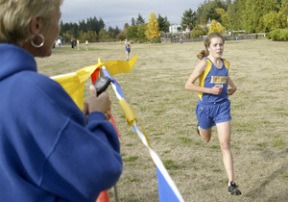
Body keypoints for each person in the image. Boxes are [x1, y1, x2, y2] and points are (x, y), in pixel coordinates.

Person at [0, 0, 122, 201]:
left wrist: (67, 117)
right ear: (36, 25)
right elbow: (98, 170)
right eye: (58, 18)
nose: (59, 28)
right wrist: (97, 115)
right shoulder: (34, 91)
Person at [185, 32, 241, 195]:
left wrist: (234, 87)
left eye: (221, 44)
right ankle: (200, 128)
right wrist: (209, 90)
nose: (219, 48)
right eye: (215, 45)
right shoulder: (204, 64)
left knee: (225, 144)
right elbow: (188, 85)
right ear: (208, 47)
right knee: (206, 139)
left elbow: (225, 76)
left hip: (222, 107)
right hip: (205, 108)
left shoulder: (226, 63)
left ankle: (231, 182)